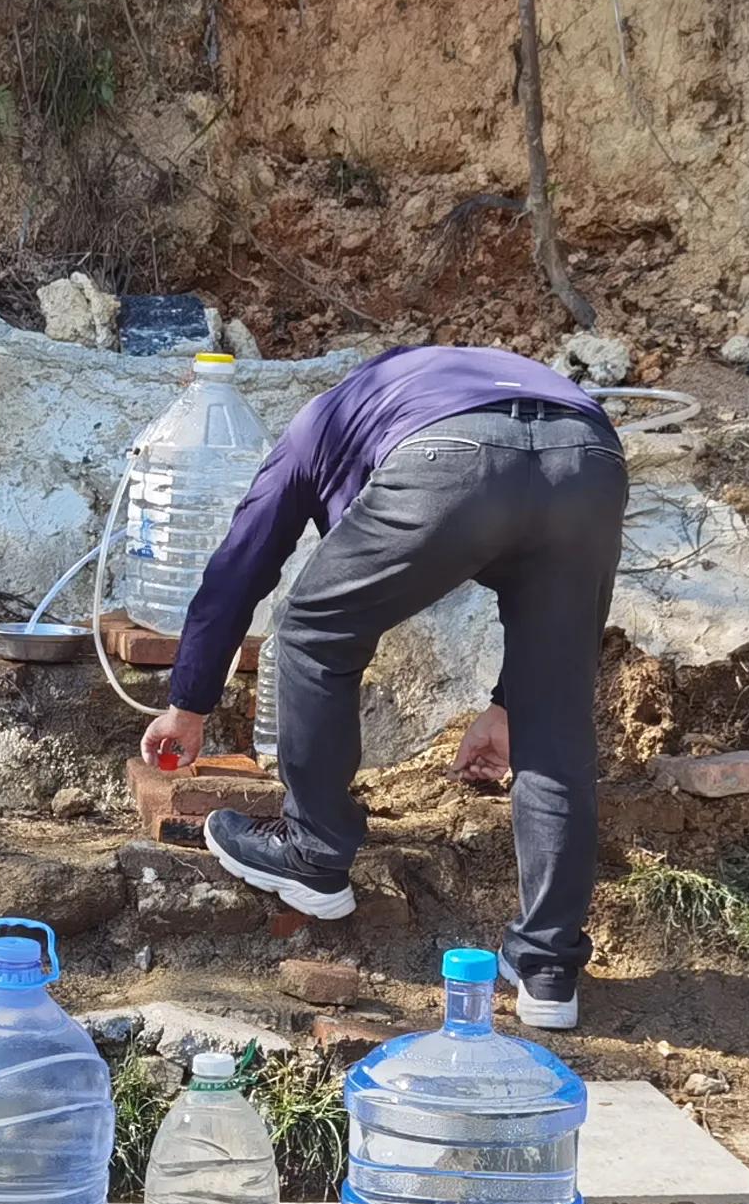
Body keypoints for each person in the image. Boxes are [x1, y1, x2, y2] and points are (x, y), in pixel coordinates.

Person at [137, 345, 626, 1031]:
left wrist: (188, 702)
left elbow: (241, 565)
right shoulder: (415, 390)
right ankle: (548, 968)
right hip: (590, 458)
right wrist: (511, 707)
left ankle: (311, 854)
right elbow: (540, 549)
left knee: (312, 629)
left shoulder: (316, 426)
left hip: (449, 456)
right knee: (557, 717)